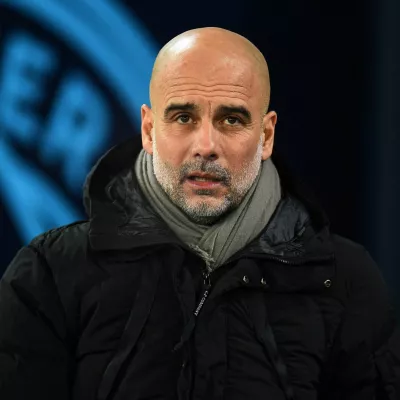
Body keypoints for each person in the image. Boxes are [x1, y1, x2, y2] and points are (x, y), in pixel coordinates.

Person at [0, 27, 399, 400]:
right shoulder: (50, 272)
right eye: (184, 117)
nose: (206, 145)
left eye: (231, 119)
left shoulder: (345, 281)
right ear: (149, 130)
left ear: (266, 136)